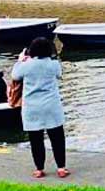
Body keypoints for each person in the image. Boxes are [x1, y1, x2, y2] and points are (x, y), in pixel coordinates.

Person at [11, 37, 68, 179]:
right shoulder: (53, 64)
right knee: (57, 138)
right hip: (51, 105)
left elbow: (15, 76)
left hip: (32, 107)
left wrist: (20, 60)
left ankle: (39, 169)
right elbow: (59, 74)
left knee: (36, 139)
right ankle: (61, 167)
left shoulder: (26, 65)